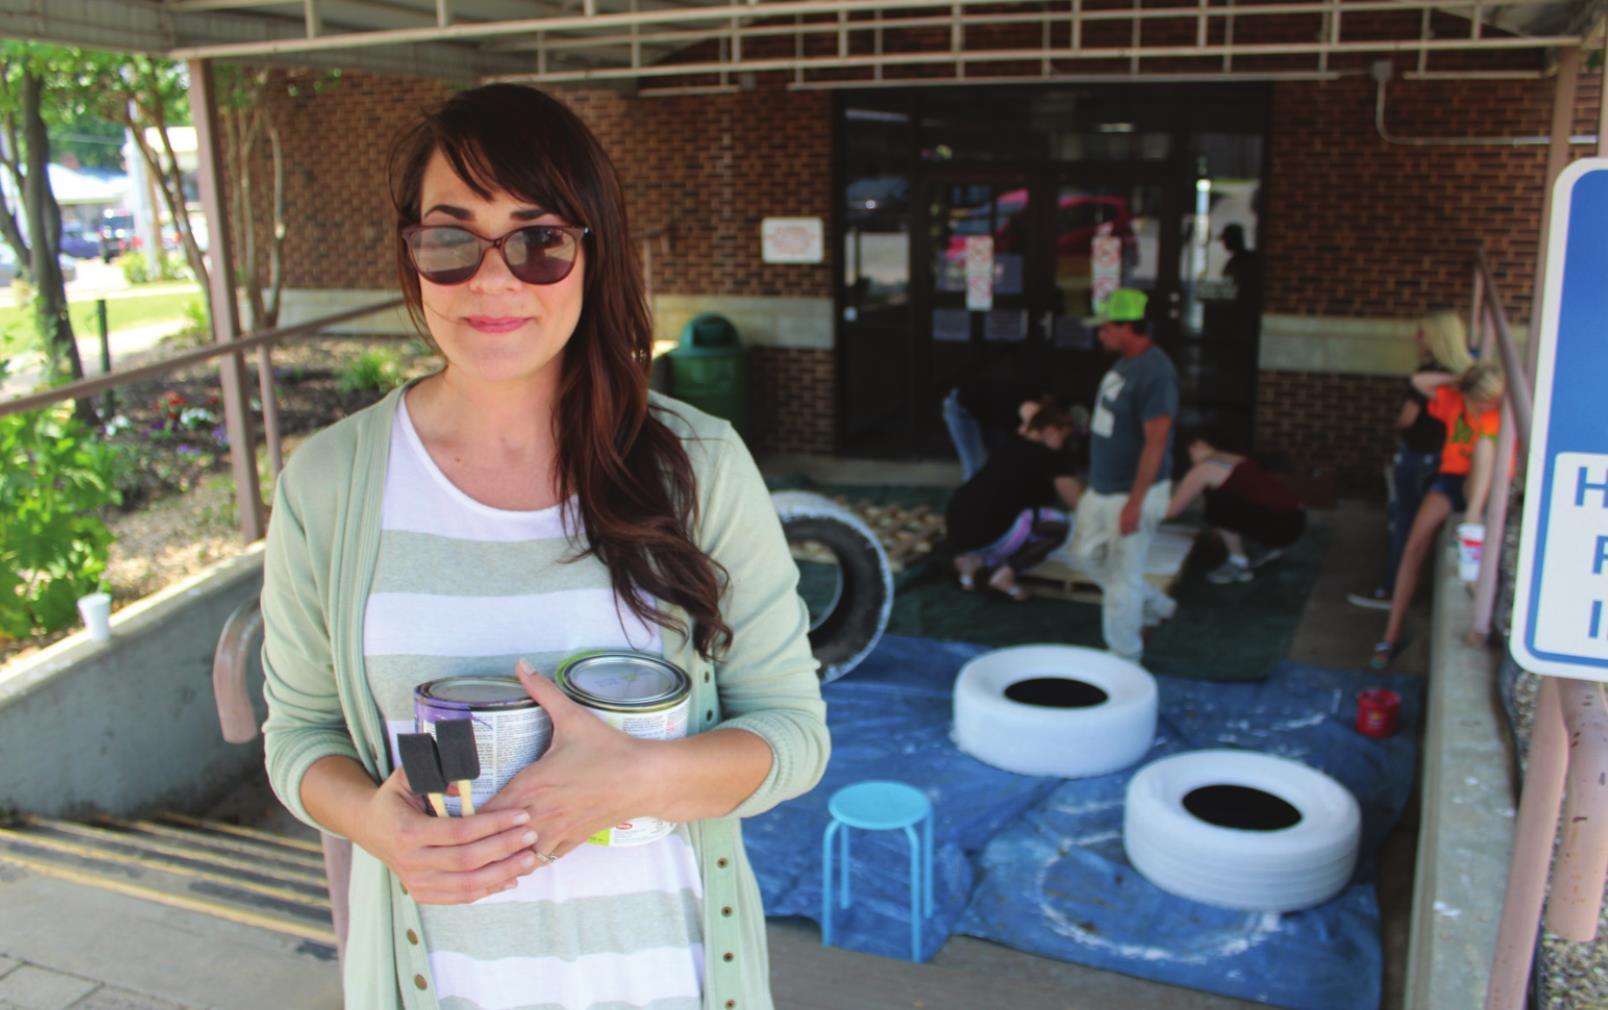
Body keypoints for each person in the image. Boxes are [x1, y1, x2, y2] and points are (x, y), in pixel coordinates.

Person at [258, 84, 829, 1010]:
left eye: (540, 241)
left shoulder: (701, 465)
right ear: (411, 256)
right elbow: (299, 737)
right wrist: (374, 823)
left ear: (594, 254)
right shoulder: (328, 484)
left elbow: (793, 734)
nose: (494, 281)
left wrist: (638, 781)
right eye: (451, 242)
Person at [1068, 288, 1180, 662]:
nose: (1100, 335)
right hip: (1103, 487)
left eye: (1106, 328)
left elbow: (1156, 442)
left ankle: (1124, 657)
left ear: (1128, 327)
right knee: (1084, 555)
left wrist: (1135, 502)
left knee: (1121, 578)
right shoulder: (1126, 363)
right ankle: (1153, 603)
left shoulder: (1157, 374)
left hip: (1131, 492)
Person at [1370, 361, 1504, 669]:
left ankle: (1471, 520)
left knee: (1484, 447)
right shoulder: (1456, 401)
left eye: (1487, 402)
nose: (1482, 407)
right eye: (1477, 401)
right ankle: (1391, 634)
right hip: (1451, 479)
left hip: (1487, 488)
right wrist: (1462, 379)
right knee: (1414, 545)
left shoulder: (1503, 412)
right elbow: (1419, 381)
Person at [1348, 310, 1474, 609]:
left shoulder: (1435, 375)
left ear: (1436, 338)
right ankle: (1402, 590)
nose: (1417, 338)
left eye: (1422, 333)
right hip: (1444, 461)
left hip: (1421, 457)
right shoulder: (1465, 377)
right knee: (1420, 532)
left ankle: (1392, 590)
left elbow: (1408, 415)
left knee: (1405, 525)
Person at [946, 401, 1085, 601]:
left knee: (1001, 514)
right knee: (1061, 526)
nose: (1065, 443)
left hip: (956, 524)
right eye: (1065, 437)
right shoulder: (1050, 458)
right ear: (1051, 431)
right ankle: (1006, 575)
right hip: (987, 532)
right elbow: (1079, 504)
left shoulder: (1011, 443)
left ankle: (970, 562)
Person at [1164, 429, 1306, 584]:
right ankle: (1261, 547)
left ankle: (1237, 564)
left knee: (1217, 507)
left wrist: (1144, 506)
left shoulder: (1202, 470)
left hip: (1282, 526)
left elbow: (1172, 511)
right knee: (1224, 500)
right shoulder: (1233, 458)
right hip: (1296, 520)